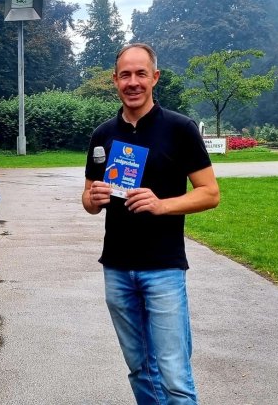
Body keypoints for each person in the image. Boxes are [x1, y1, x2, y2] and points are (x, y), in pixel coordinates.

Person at [81, 43, 220, 405]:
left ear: (155, 77)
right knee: (139, 368)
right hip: (117, 267)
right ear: (114, 80)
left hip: (163, 268)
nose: (133, 82)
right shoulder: (102, 135)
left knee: (173, 374)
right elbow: (88, 200)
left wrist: (162, 205)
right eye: (125, 74)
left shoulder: (180, 129)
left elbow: (209, 193)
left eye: (141, 73)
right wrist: (92, 199)